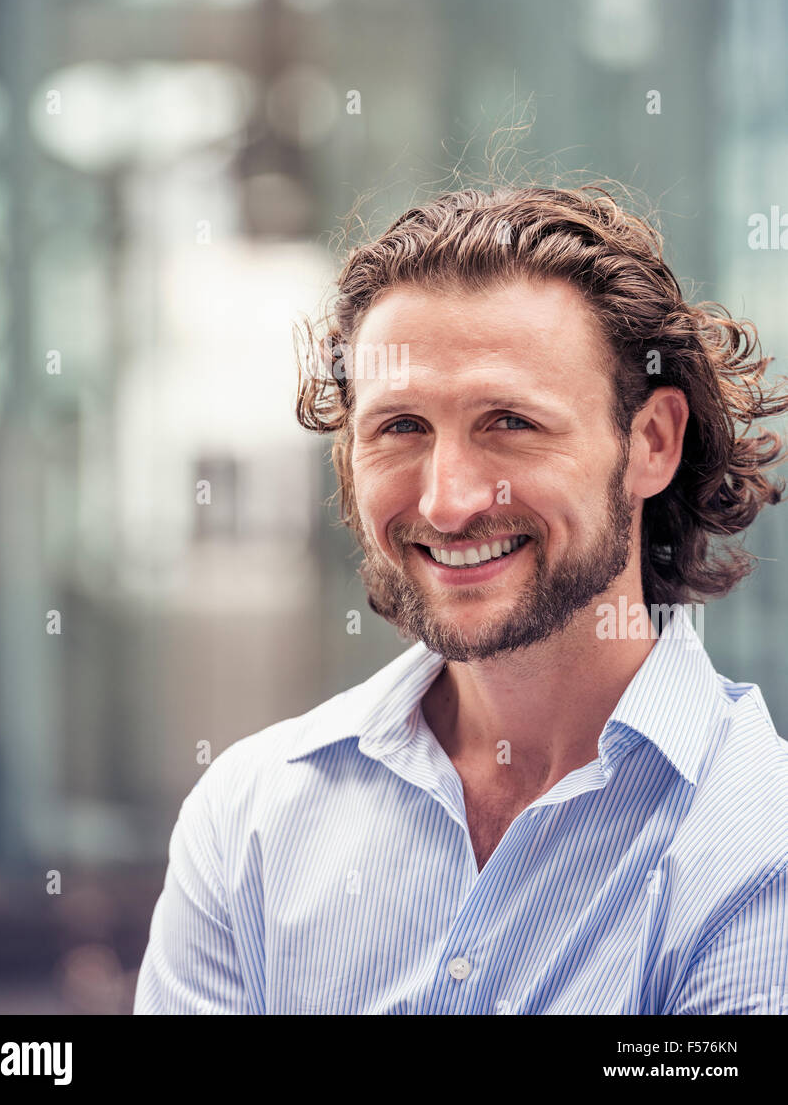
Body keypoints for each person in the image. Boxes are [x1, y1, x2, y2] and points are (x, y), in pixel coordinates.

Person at [134, 182, 788, 1015]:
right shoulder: (251, 818)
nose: (447, 502)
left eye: (509, 422)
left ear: (650, 443)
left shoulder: (759, 844)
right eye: (400, 427)